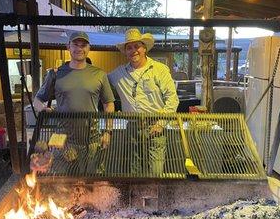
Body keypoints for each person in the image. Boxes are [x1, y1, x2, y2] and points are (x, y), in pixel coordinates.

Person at [33, 31, 114, 173]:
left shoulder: (99, 74)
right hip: (62, 140)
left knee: (92, 185)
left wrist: (108, 131)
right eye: (75, 44)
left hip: (92, 140)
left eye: (83, 45)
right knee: (62, 185)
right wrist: (44, 109)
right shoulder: (55, 74)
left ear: (89, 48)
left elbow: (109, 104)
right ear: (68, 47)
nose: (79, 48)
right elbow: (37, 100)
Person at [108, 28, 179, 175]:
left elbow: (172, 98)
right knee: (135, 174)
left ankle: (154, 198)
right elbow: (98, 80)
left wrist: (161, 123)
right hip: (133, 127)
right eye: (129, 47)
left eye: (137, 46)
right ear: (125, 52)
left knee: (155, 174)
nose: (133, 50)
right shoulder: (118, 73)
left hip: (155, 127)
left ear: (144, 48)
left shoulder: (159, 69)